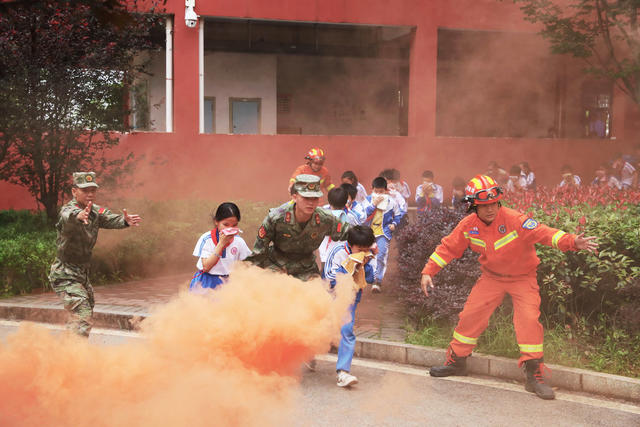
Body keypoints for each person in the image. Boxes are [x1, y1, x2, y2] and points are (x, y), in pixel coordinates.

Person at [420, 175, 598, 400]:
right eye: (484, 205)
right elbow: (448, 248)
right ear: (474, 206)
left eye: (493, 204)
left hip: (522, 278)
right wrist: (428, 272)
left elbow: (544, 233)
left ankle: (534, 375)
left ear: (499, 201)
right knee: (471, 316)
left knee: (528, 320)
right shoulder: (468, 225)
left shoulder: (515, 219)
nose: (490, 209)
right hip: (491, 278)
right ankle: (457, 362)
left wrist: (572, 241)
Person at [48, 172, 142, 337]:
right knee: (83, 312)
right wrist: (78, 216)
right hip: (64, 274)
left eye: (93, 190)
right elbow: (67, 217)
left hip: (81, 274)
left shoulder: (95, 211)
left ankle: (66, 352)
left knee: (85, 310)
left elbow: (111, 219)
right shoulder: (69, 209)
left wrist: (125, 221)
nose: (90, 194)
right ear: (74, 191)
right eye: (85, 190)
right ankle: (76, 354)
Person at [246, 174, 349, 282]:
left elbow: (349, 233)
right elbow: (259, 252)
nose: (311, 202)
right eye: (306, 198)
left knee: (316, 295)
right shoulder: (276, 218)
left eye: (315, 198)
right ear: (294, 197)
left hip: (306, 269)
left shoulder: (325, 219)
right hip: (277, 266)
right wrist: (249, 275)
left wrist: (364, 246)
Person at [324, 225, 377, 387]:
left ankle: (343, 372)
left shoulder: (369, 255)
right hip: (330, 297)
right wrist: (349, 265)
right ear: (350, 244)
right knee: (319, 329)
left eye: (366, 248)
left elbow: (370, 278)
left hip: (350, 299)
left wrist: (365, 265)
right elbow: (328, 277)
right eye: (360, 248)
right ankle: (306, 356)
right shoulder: (338, 251)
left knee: (347, 331)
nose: (363, 251)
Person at [189, 202, 252, 291]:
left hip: (228, 282)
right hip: (206, 281)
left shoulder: (239, 242)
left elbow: (248, 264)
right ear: (216, 222)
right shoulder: (206, 239)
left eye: (234, 225)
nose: (230, 229)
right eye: (226, 225)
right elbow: (206, 267)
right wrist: (221, 244)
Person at [364, 176, 403, 293]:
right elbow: (362, 214)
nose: (379, 194)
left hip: (383, 233)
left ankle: (377, 281)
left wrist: (394, 224)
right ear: (372, 189)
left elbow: (398, 215)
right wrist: (373, 205)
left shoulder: (392, 202)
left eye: (381, 191)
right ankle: (368, 276)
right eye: (376, 191)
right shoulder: (367, 200)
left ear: (386, 190)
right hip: (368, 233)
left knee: (380, 256)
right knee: (367, 256)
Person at [319, 187, 354, 271]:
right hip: (343, 254)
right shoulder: (349, 216)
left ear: (329, 200)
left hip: (326, 254)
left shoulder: (323, 214)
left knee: (325, 280)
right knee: (342, 278)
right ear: (345, 201)